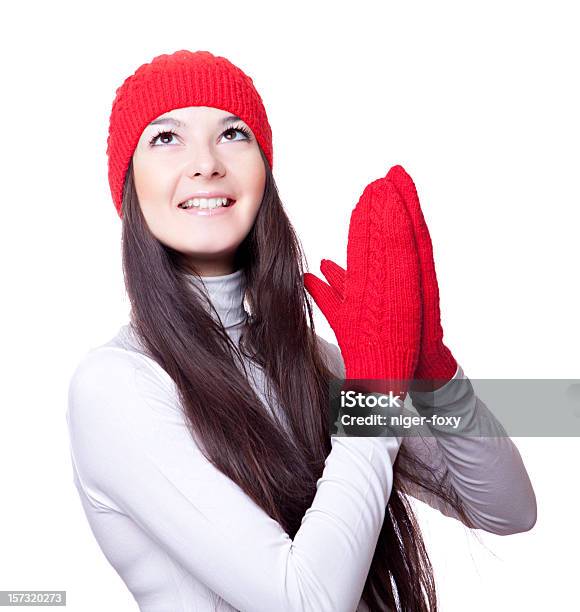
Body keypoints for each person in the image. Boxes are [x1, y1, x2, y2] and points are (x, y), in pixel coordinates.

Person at [66, 49, 536, 612]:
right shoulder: (116, 386)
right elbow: (304, 601)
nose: (206, 163)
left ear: (264, 172)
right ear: (129, 184)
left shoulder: (309, 359)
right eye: (166, 138)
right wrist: (377, 394)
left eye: (233, 134)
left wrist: (430, 367)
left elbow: (507, 510)